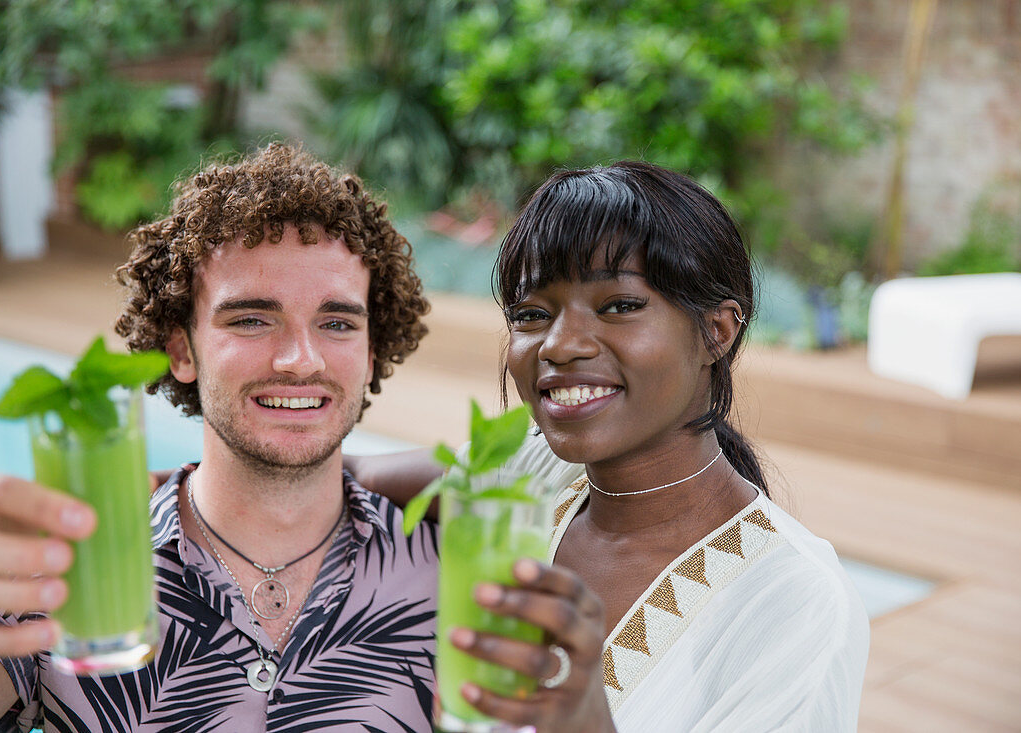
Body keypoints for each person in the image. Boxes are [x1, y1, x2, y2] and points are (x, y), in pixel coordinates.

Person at [364, 162, 870, 732]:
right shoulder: (534, 472)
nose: (560, 345)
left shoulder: (795, 604)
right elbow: (355, 478)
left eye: (619, 305)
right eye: (532, 315)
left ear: (717, 332)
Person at [0, 142, 442, 732]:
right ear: (182, 350)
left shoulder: (450, 573)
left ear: (369, 353)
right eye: (252, 319)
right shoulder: (61, 568)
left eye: (337, 323)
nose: (299, 360)